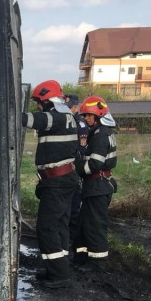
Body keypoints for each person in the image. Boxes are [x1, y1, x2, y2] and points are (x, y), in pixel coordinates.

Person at [21, 79, 80, 288]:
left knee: (46, 228)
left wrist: (8, 111)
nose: (38, 105)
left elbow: (30, 120)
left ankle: (60, 275)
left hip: (57, 181)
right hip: (63, 180)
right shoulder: (67, 117)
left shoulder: (56, 117)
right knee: (60, 226)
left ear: (48, 101)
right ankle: (57, 268)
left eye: (39, 101)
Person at [73, 95, 118, 270]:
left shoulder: (100, 135)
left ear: (99, 116)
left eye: (90, 115)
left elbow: (94, 164)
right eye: (85, 115)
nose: (86, 118)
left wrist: (75, 168)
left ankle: (98, 263)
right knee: (84, 222)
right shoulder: (99, 132)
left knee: (95, 225)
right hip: (96, 185)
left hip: (98, 185)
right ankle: (80, 258)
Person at [63, 93, 88, 250]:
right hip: (64, 167)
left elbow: (81, 149)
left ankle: (72, 233)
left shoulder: (80, 123)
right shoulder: (66, 120)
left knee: (73, 201)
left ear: (75, 107)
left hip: (74, 167)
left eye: (70, 107)